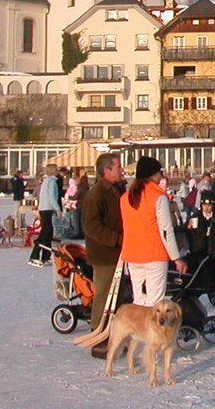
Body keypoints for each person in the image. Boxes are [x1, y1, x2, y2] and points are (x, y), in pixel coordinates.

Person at [120, 156, 187, 306]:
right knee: (154, 302)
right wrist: (176, 258)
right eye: (159, 172)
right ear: (152, 175)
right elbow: (166, 231)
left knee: (139, 300)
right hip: (154, 254)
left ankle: (138, 329)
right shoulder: (158, 197)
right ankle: (151, 330)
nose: (161, 176)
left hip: (132, 255)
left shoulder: (125, 198)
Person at [81, 152, 125, 357]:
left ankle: (112, 336)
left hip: (117, 253)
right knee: (104, 297)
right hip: (104, 254)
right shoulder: (96, 194)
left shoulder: (115, 190)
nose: (121, 170)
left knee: (116, 298)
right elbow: (90, 226)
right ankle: (98, 338)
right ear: (106, 171)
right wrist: (115, 238)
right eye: (118, 167)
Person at [185, 190, 215, 302]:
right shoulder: (196, 217)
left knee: (213, 273)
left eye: (209, 205)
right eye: (204, 205)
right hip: (199, 250)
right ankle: (194, 295)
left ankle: (213, 294)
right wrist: (188, 228)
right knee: (198, 273)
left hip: (213, 250)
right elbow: (187, 233)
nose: (207, 208)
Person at [29, 165, 61, 267]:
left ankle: (45, 256)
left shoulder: (47, 181)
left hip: (45, 208)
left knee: (48, 233)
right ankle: (34, 256)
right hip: (47, 208)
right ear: (52, 171)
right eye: (56, 169)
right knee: (44, 233)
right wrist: (57, 208)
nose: (58, 171)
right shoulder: (51, 181)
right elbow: (51, 196)